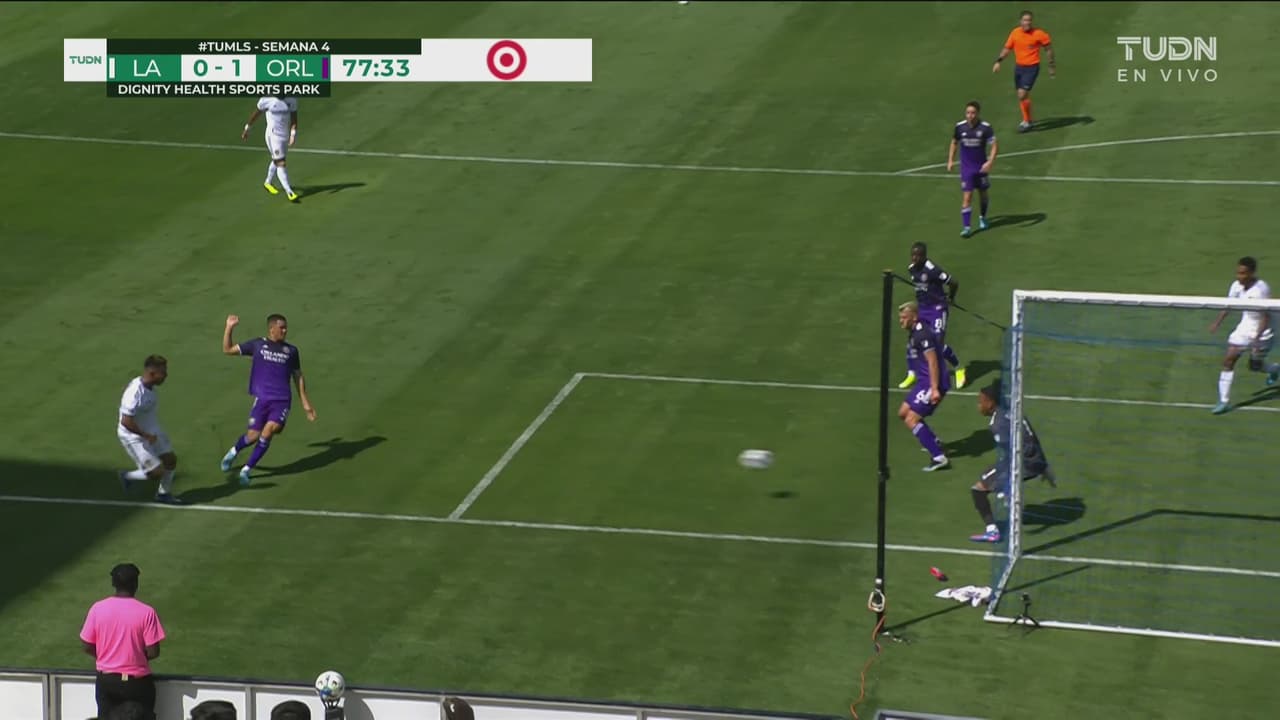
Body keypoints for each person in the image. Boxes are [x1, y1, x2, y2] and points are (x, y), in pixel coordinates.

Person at [221, 314, 316, 485]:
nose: (285, 331)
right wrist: (229, 327)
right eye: (282, 328)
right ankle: (234, 452)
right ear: (272, 329)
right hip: (263, 399)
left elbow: (298, 376)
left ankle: (246, 470)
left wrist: (305, 403)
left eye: (286, 328)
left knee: (269, 431)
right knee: (253, 436)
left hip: (282, 400)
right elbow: (227, 349)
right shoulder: (258, 345)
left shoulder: (291, 351)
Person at [970, 382, 1055, 543]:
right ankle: (1010, 497)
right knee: (992, 474)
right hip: (1035, 459)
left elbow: (1012, 454)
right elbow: (1031, 438)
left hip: (1024, 463)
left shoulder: (997, 424)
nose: (978, 405)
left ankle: (992, 531)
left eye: (981, 401)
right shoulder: (1014, 411)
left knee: (978, 489)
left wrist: (1006, 484)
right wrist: (1044, 466)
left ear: (990, 403)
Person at [80, 563, 165, 720]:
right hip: (137, 683)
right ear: (135, 584)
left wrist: (106, 656)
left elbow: (86, 646)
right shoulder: (147, 612)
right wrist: (134, 657)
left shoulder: (97, 608)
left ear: (113, 583)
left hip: (107, 681)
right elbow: (153, 651)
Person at [1208, 256, 1280, 414]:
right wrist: (1217, 322)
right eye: (1238, 273)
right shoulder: (1236, 286)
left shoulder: (1261, 290)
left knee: (1255, 366)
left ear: (1252, 273)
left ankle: (1275, 369)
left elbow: (1266, 317)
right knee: (1228, 360)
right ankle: (1224, 401)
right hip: (1245, 326)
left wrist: (1256, 339)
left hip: (1263, 331)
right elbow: (1228, 305)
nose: (1239, 276)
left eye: (1243, 273)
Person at [117, 355, 183, 505]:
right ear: (152, 373)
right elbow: (126, 421)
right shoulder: (135, 393)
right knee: (156, 473)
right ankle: (126, 476)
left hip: (151, 430)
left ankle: (163, 494)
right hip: (134, 436)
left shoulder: (144, 385)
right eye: (163, 372)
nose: (166, 375)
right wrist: (146, 435)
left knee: (170, 460)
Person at [900, 242, 966, 389]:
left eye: (918, 255)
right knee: (914, 339)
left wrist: (951, 298)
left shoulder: (932, 270)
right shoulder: (911, 269)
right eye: (913, 255)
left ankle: (958, 368)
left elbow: (953, 282)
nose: (914, 258)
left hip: (937, 309)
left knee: (937, 343)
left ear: (924, 256)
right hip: (922, 309)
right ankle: (912, 373)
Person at [898, 301, 950, 472]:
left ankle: (938, 457)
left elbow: (933, 361)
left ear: (914, 317)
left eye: (904, 318)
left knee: (911, 419)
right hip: (924, 382)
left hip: (933, 382)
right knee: (903, 412)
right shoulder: (915, 331)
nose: (901, 321)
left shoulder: (922, 335)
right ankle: (934, 442)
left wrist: (934, 388)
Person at [992, 10, 1054, 132]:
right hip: (1019, 68)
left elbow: (1048, 49)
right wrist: (998, 61)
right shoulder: (1015, 33)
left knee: (1022, 94)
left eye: (1029, 20)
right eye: (1025, 20)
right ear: (1020, 21)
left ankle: (1026, 122)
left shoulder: (1039, 34)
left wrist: (1051, 64)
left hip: (1032, 68)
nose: (1027, 22)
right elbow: (1007, 48)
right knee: (1021, 96)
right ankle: (1029, 119)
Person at [947, 102, 997, 238]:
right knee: (967, 197)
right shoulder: (960, 127)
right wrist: (950, 160)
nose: (970, 115)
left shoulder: (985, 128)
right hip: (967, 169)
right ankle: (967, 227)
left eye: (973, 113)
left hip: (981, 168)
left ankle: (982, 217)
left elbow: (994, 145)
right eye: (968, 113)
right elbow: (954, 142)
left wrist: (990, 162)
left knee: (983, 194)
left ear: (978, 113)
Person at [241, 95, 300, 202]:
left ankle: (267, 183)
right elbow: (256, 114)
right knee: (281, 163)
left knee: (277, 160)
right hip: (273, 135)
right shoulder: (266, 100)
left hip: (284, 135)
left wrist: (293, 135)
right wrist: (247, 129)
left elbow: (294, 118)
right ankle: (289, 192)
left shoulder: (291, 99)